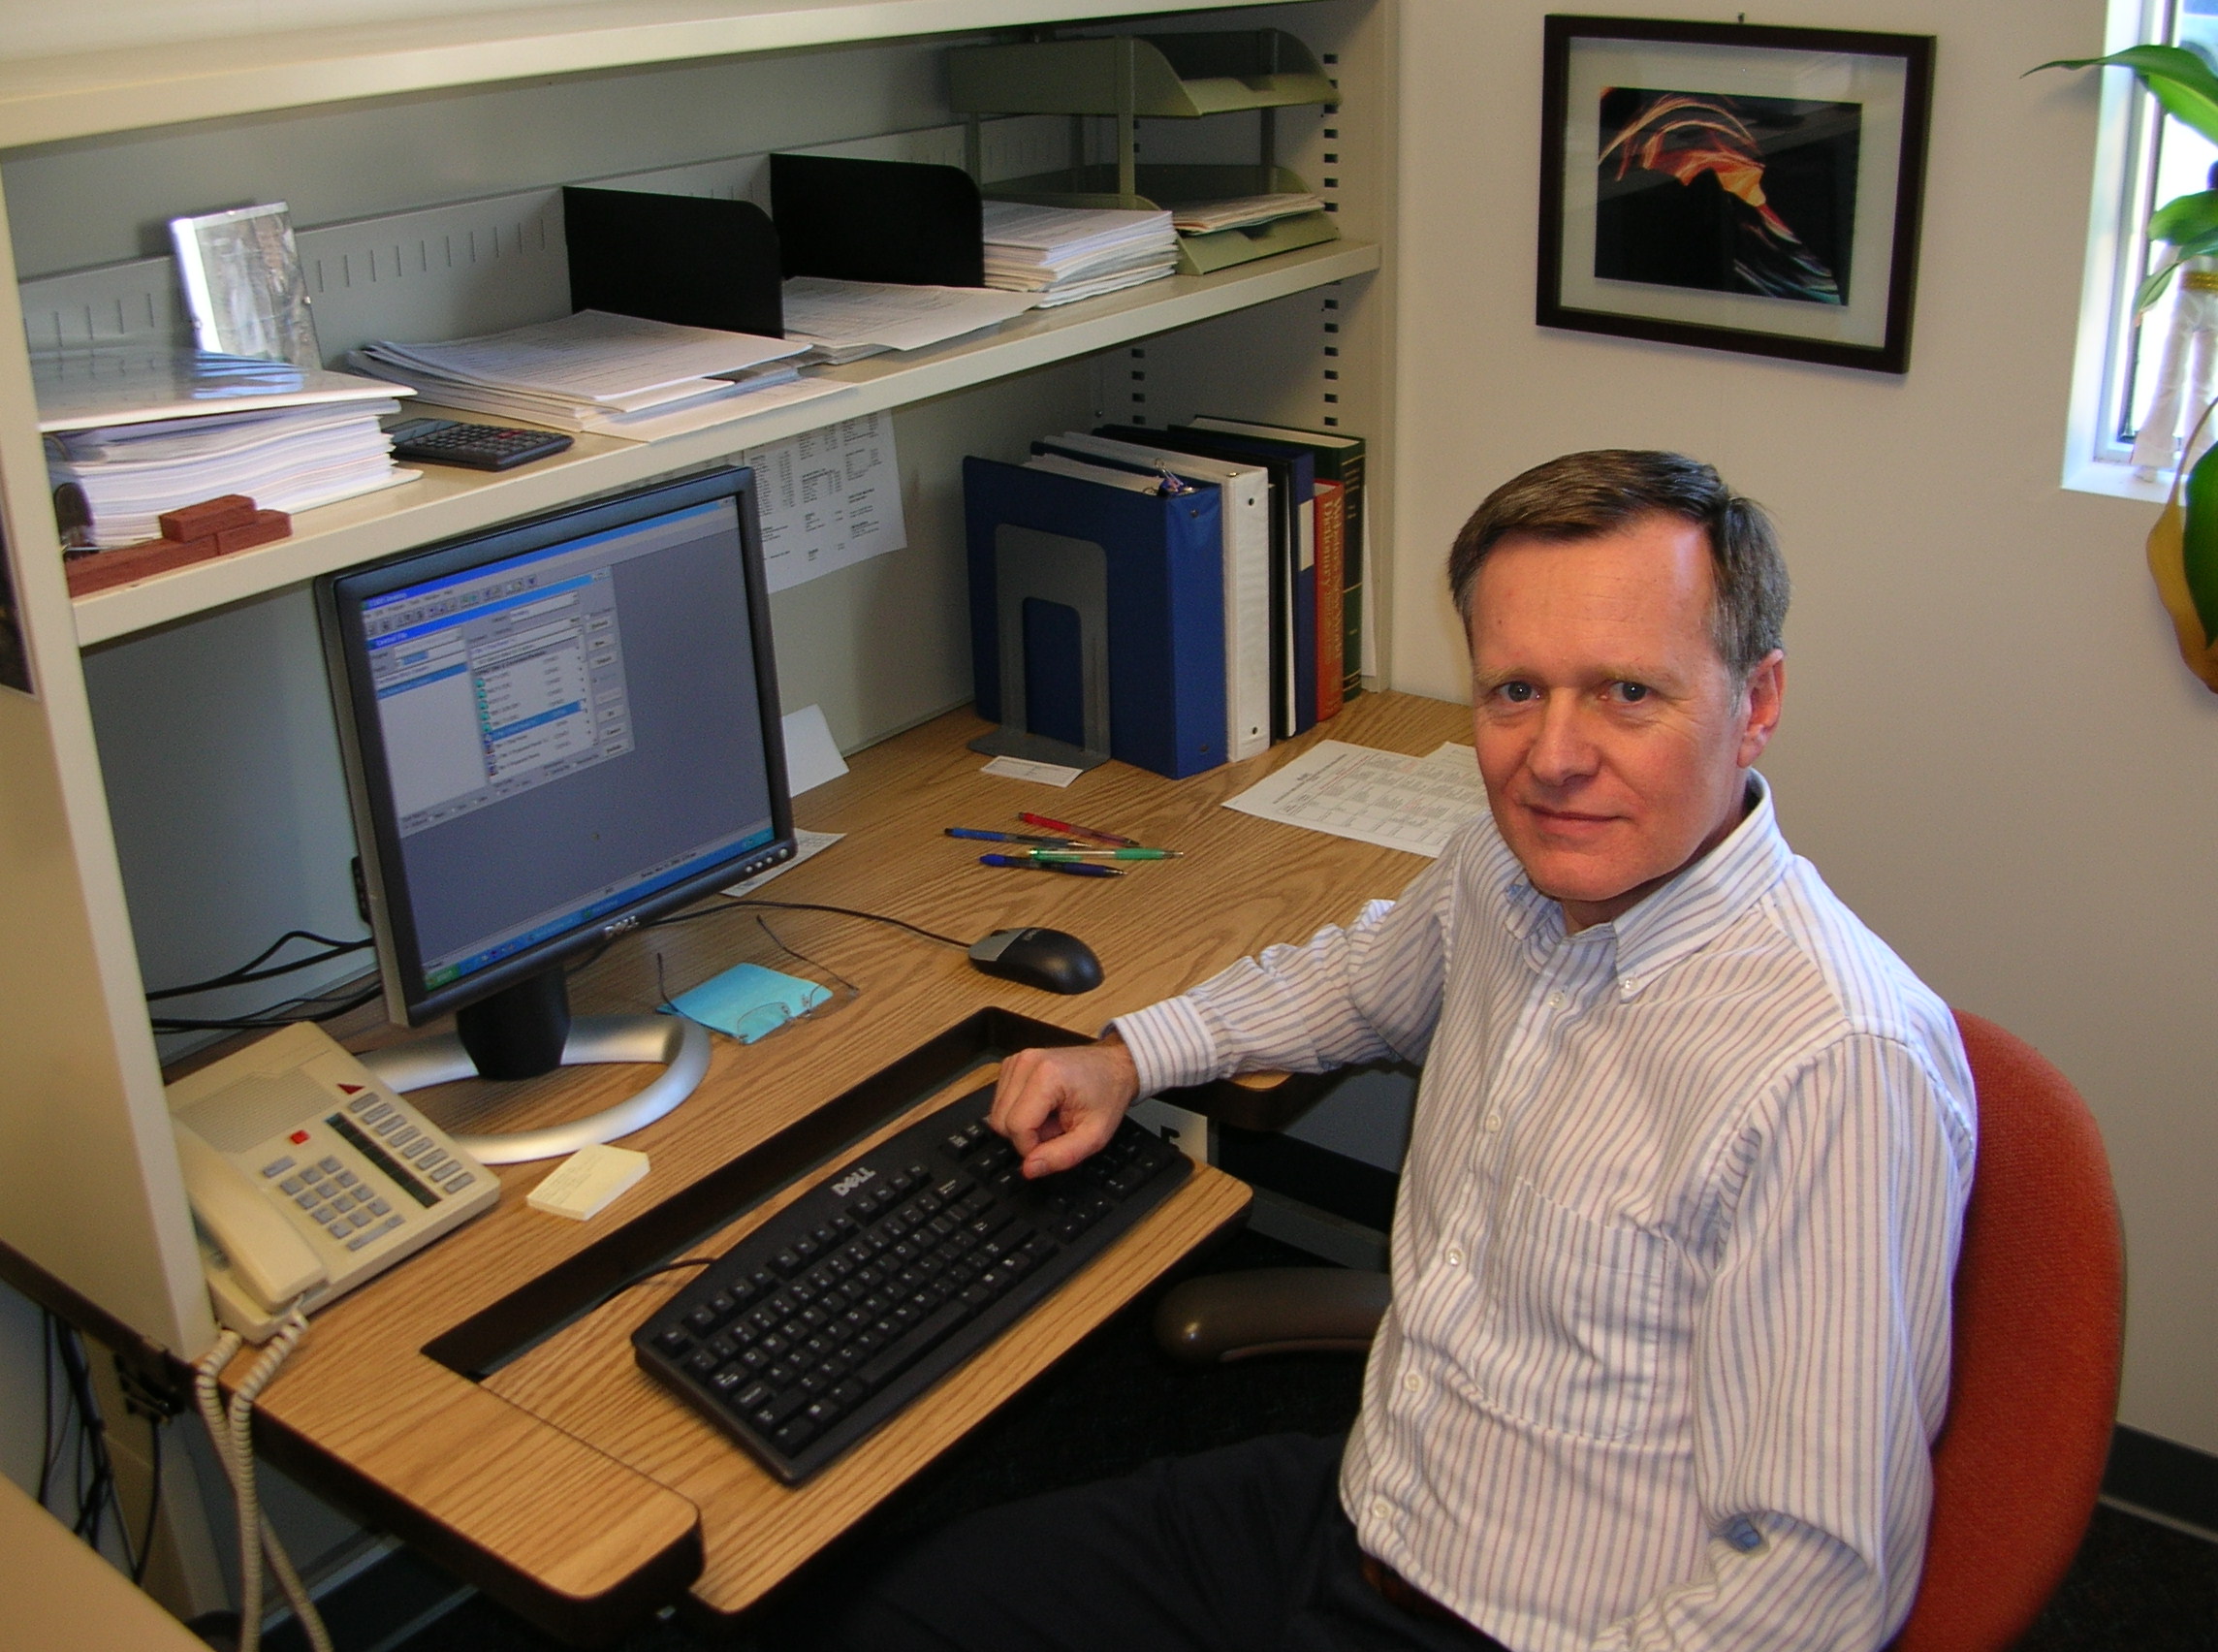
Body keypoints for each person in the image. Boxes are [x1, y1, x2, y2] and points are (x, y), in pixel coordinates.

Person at [829, 450, 1977, 1652]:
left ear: (1755, 700)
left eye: (1627, 692)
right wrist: (1125, 1055)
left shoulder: (1835, 1066)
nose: (1554, 756)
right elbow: (1358, 978)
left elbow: (1814, 1580)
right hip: (1369, 1504)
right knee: (909, 1611)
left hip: (1540, 1623)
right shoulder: (1515, 866)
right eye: (1513, 691)